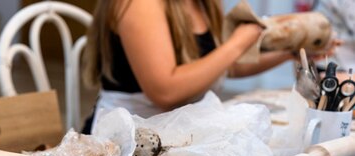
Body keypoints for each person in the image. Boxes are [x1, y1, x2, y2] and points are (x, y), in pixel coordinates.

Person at [81, 0, 297, 132]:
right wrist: (236, 44)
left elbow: (220, 66)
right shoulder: (138, 3)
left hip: (180, 130)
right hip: (128, 137)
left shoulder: (201, 2)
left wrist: (290, 52)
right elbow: (165, 91)